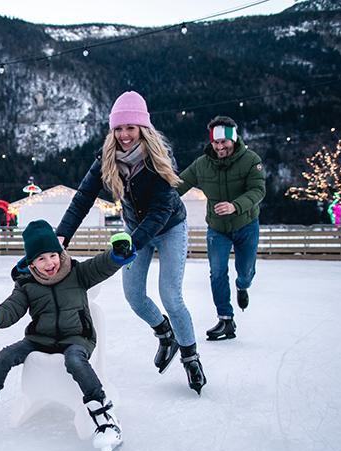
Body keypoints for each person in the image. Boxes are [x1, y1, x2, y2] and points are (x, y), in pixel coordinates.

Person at [56, 91, 206, 395]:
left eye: (131, 128)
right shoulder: (107, 156)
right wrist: (62, 234)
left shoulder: (160, 155)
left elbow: (162, 209)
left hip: (169, 228)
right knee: (134, 295)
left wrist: (132, 244)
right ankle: (166, 335)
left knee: (171, 296)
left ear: (143, 129)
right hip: (135, 230)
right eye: (119, 128)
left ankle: (191, 358)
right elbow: (84, 197)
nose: (124, 135)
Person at [0, 220, 135, 451]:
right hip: (40, 339)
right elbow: (10, 309)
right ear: (32, 264)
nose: (50, 263)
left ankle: (105, 416)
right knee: (5, 355)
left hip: (76, 337)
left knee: (75, 360)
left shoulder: (77, 272)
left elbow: (100, 265)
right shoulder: (26, 286)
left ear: (60, 253)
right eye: (41, 259)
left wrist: (117, 255)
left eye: (53, 255)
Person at [177, 116, 266, 341]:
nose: (219, 147)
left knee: (245, 271)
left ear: (233, 140)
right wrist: (155, 198)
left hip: (246, 224)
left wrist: (235, 206)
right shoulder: (202, 164)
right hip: (217, 228)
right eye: (215, 142)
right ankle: (225, 319)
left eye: (224, 142)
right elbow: (178, 185)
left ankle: (243, 285)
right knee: (217, 272)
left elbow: (258, 191)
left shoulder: (251, 160)